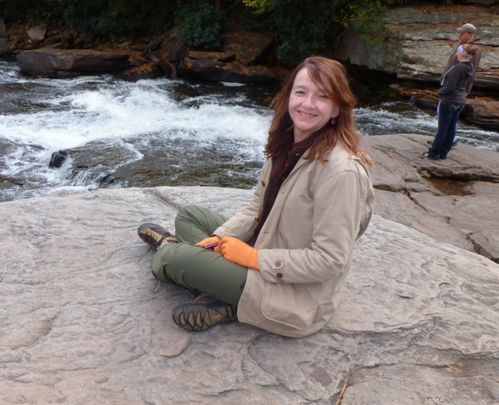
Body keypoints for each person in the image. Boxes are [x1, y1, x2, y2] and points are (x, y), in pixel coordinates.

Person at [137, 57, 375, 338]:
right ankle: (213, 282)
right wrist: (221, 239)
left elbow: (329, 260)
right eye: (301, 92)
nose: (308, 104)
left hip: (291, 294)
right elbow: (257, 207)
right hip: (270, 243)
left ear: (337, 108)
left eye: (322, 96)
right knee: (190, 215)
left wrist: (253, 257)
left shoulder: (341, 172)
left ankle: (183, 259)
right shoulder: (286, 143)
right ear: (289, 96)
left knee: (168, 261)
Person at [424, 43, 479, 160]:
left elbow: (449, 87)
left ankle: (434, 153)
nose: (457, 53)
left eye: (458, 51)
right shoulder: (470, 67)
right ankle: (443, 153)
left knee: (442, 128)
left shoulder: (458, 68)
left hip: (449, 100)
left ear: (462, 54)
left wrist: (440, 93)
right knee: (451, 128)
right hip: (460, 100)